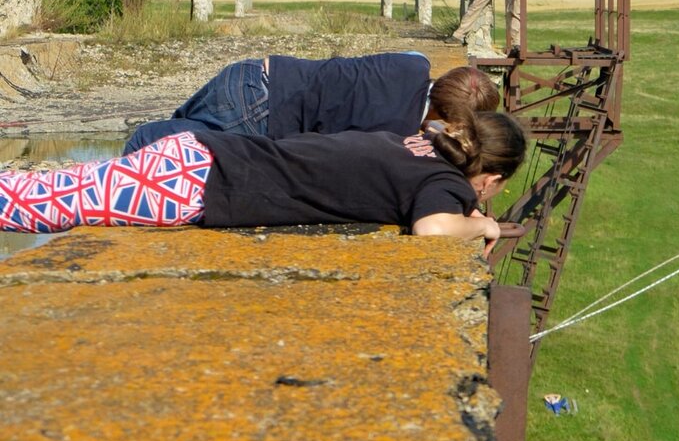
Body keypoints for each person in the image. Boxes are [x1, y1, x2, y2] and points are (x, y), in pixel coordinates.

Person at [2, 111, 526, 255]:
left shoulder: (410, 142)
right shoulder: (444, 183)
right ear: (492, 178)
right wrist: (486, 228)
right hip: (195, 186)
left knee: (47, 188)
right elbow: (432, 229)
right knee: (32, 206)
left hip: (197, 154)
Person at [123, 54, 499, 154]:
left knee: (176, 128)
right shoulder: (397, 131)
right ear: (448, 121)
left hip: (252, 74)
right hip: (264, 114)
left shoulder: (413, 65)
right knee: (158, 148)